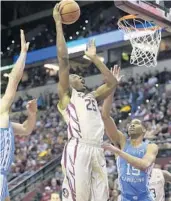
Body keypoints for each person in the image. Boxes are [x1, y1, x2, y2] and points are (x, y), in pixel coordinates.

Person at [53, 4, 122, 201]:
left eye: (82, 76)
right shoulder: (67, 96)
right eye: (76, 76)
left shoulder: (92, 96)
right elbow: (64, 59)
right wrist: (59, 23)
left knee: (101, 197)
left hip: (97, 148)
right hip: (78, 148)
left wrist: (94, 58)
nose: (80, 78)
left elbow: (112, 82)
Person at [102, 81, 158, 201]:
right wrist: (111, 87)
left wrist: (117, 151)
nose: (131, 125)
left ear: (144, 129)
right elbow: (105, 116)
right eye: (130, 124)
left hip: (145, 197)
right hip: (125, 197)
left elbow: (144, 165)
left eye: (136, 124)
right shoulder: (122, 141)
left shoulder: (151, 146)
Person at [0, 30, 37, 201]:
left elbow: (25, 129)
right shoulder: (1, 110)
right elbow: (13, 81)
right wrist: (22, 54)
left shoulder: (4, 121)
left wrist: (32, 114)